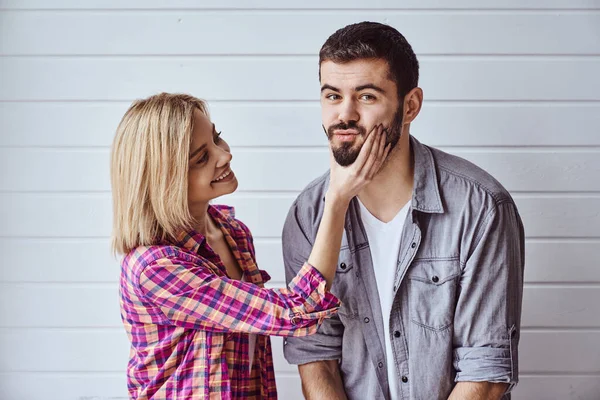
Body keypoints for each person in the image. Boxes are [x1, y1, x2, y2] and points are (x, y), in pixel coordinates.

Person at [282, 22, 525, 400]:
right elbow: (317, 359)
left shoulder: (480, 207)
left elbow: (486, 371)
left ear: (409, 106)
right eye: (332, 96)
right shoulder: (308, 214)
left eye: (366, 97)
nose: (344, 116)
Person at [110, 92, 390, 399]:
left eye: (217, 138)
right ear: (165, 179)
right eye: (202, 158)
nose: (224, 155)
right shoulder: (157, 268)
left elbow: (251, 361)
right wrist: (337, 198)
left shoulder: (233, 233)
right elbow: (299, 309)